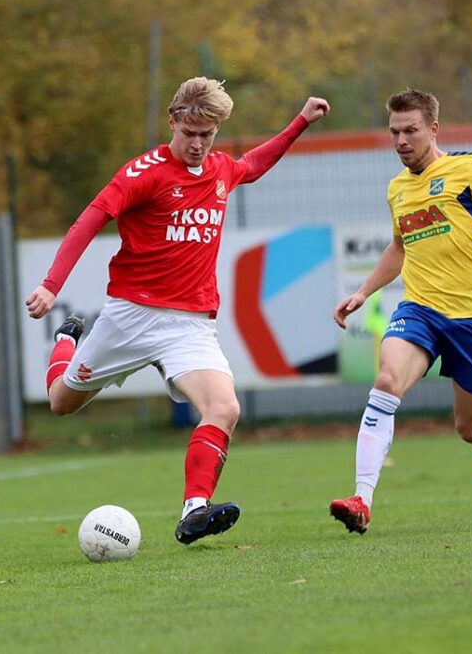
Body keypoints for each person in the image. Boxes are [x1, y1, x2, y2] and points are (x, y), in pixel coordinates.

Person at [25, 77, 330, 544]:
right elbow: (90, 219)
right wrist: (51, 286)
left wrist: (300, 123)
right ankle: (66, 341)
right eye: (190, 134)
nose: (197, 144)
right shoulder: (143, 173)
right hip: (130, 316)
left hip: (189, 324)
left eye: (207, 136)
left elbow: (253, 164)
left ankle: (194, 511)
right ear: (173, 121)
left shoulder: (220, 169)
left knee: (225, 407)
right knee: (61, 403)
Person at [328, 88, 472, 534]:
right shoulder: (398, 188)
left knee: (467, 426)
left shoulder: (469, 169)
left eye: (411, 130)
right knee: (386, 382)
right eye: (394, 132)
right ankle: (361, 500)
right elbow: (400, 247)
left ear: (433, 129)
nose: (401, 140)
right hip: (420, 310)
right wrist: (364, 292)